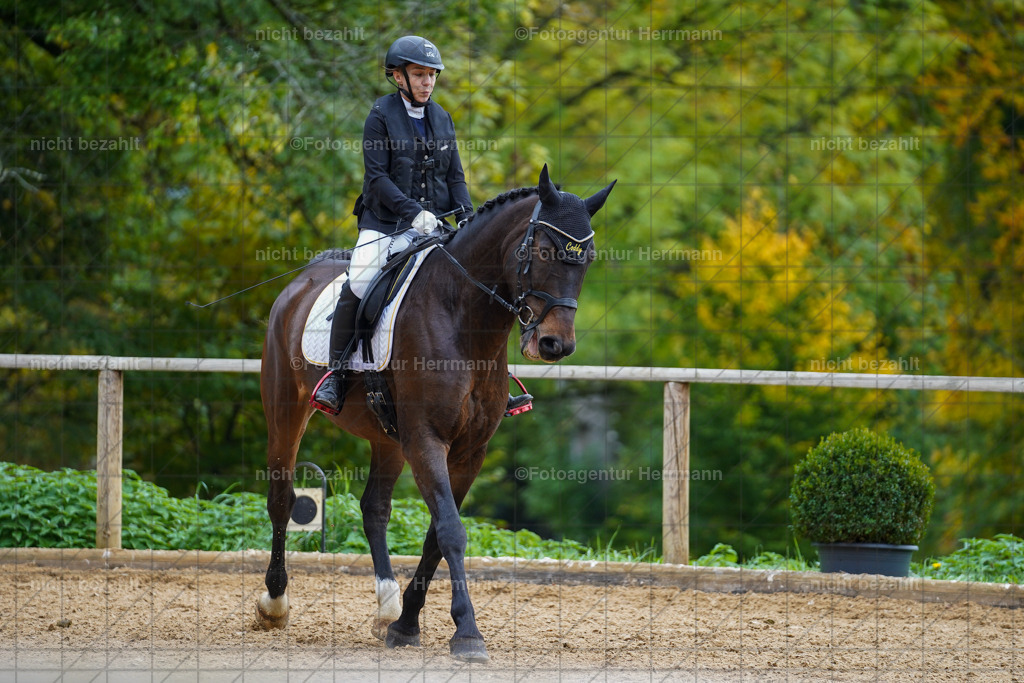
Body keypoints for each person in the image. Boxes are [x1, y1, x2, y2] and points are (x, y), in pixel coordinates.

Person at [312, 35, 532, 417]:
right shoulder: (380, 116)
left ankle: (494, 381)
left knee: (475, 284)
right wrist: (413, 213)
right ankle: (337, 373)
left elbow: (456, 176)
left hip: (437, 227)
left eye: (432, 74)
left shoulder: (442, 118)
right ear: (398, 77)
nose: (427, 81)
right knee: (362, 280)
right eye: (419, 74)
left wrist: (467, 216)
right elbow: (377, 178)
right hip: (384, 223)